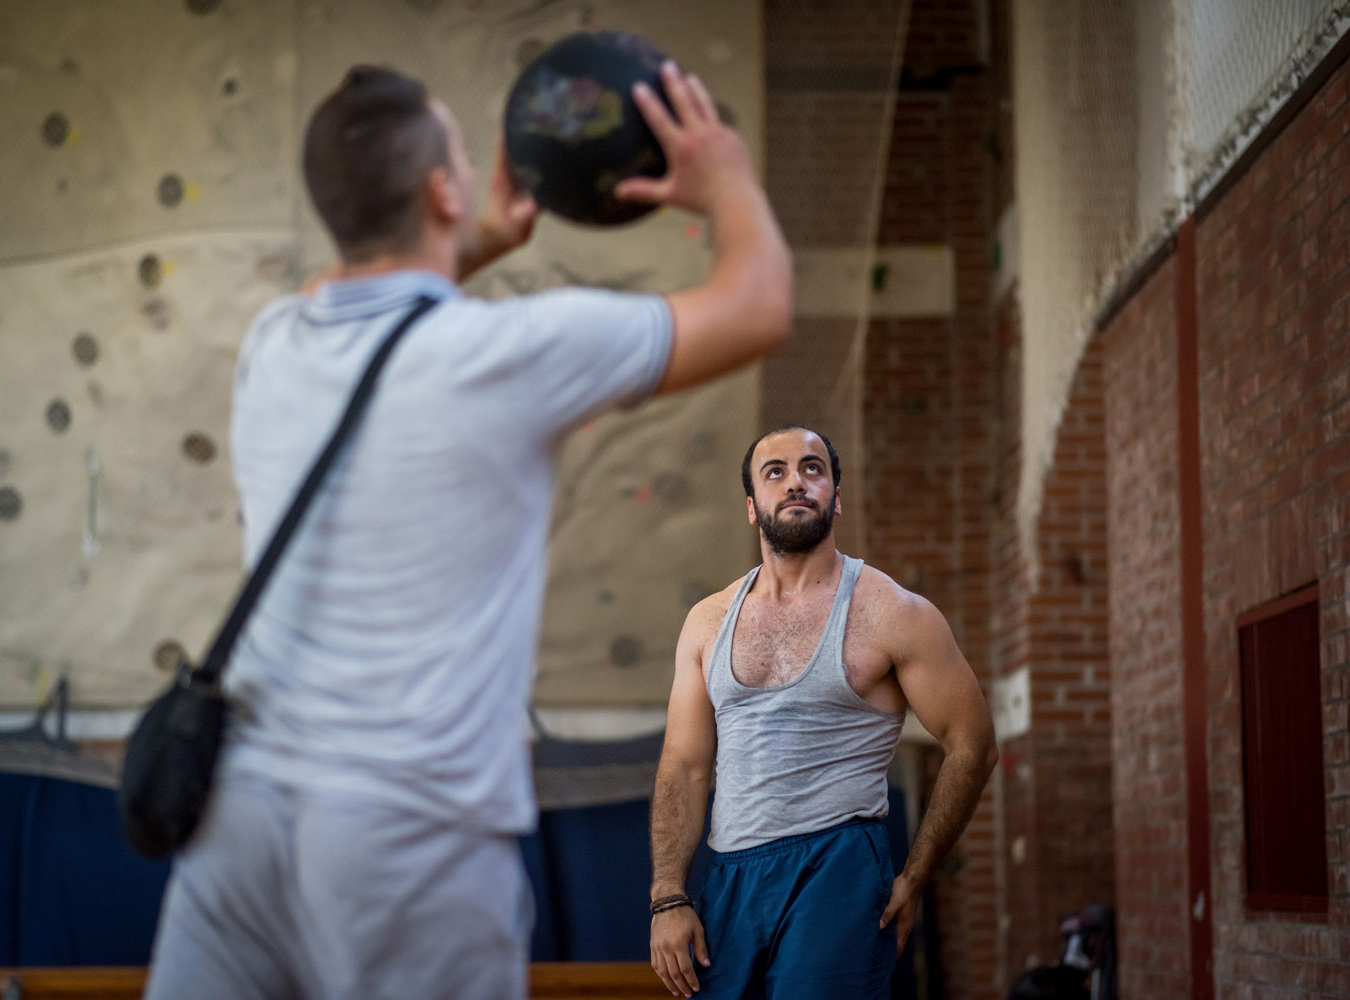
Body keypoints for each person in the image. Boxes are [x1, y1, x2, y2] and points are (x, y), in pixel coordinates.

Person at [142, 57, 792, 1000]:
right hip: (406, 838)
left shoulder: (272, 345)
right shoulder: (513, 353)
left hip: (237, 824)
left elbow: (367, 302)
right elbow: (759, 304)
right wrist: (724, 173)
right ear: (444, 189)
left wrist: (469, 239)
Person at [648, 425, 998, 999]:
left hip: (836, 865)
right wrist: (668, 895)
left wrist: (916, 873)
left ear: (836, 496)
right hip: (730, 873)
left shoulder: (893, 613)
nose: (795, 483)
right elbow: (684, 765)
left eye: (813, 469)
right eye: (776, 472)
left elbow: (974, 745)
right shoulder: (707, 622)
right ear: (751, 508)